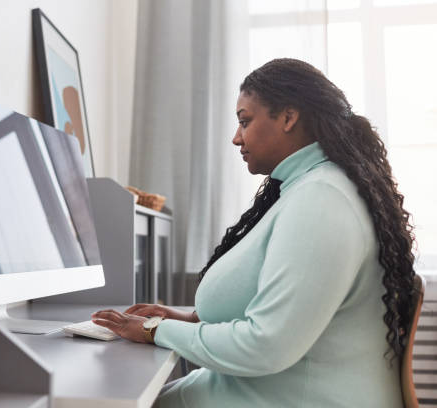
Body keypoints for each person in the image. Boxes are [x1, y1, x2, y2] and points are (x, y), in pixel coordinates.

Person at [92, 58, 417, 407]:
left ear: (289, 118)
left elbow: (267, 346)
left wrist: (155, 330)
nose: (236, 138)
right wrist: (187, 319)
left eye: (245, 122)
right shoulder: (308, 188)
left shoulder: (321, 199)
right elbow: (277, 308)